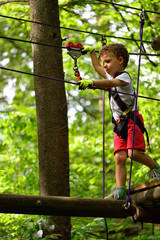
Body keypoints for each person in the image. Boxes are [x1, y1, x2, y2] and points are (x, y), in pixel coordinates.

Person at [78, 43, 160, 200]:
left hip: (131, 119)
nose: (105, 66)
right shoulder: (110, 75)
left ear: (120, 60)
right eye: (104, 62)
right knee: (119, 157)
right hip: (119, 124)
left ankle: (156, 168)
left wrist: (91, 83)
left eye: (108, 61)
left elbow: (109, 83)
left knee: (133, 153)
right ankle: (120, 190)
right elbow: (97, 67)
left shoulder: (124, 77)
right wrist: (92, 53)